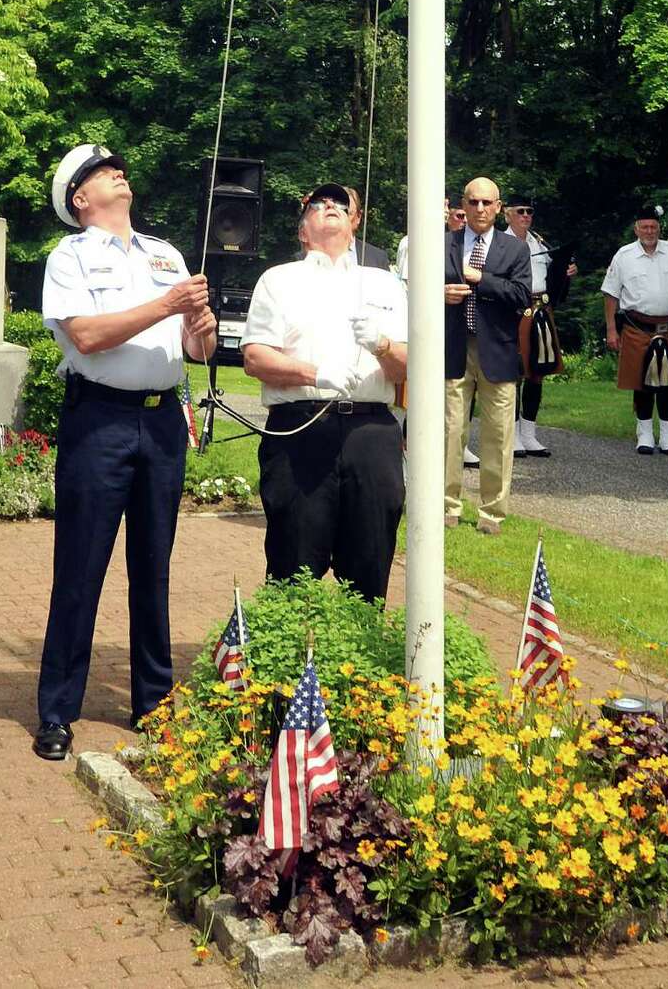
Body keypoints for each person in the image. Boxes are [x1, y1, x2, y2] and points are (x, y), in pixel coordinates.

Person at [34, 144, 217, 761]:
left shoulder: (165, 253)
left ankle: (154, 705)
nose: (118, 173)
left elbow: (197, 349)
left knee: (154, 569)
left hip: (162, 422)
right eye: (99, 173)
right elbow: (84, 336)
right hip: (100, 422)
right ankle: (58, 711)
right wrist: (167, 305)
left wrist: (199, 325)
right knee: (81, 569)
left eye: (117, 168)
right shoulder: (70, 257)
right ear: (80, 199)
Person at [241, 183, 407, 599]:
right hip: (301, 431)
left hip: (371, 433)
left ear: (355, 221)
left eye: (339, 203)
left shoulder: (384, 283)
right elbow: (256, 359)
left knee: (370, 560)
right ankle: (291, 657)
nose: (329, 206)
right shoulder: (279, 280)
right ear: (302, 231)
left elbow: (412, 367)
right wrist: (316, 374)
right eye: (318, 203)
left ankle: (363, 653)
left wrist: (382, 344)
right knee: (293, 561)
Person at [444, 177, 531, 534]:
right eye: (473, 202)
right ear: (462, 205)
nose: (479, 209)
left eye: (487, 203)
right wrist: (441, 292)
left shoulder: (515, 250)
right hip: (453, 347)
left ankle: (492, 513)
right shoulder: (443, 244)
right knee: (449, 431)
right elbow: (415, 290)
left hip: (498, 351)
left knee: (498, 435)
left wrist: (480, 278)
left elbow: (522, 296)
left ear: (499, 207)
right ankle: (446, 507)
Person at [601, 205, 668, 457]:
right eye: (644, 226)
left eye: (653, 227)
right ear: (636, 228)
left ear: (659, 228)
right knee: (641, 383)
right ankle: (644, 432)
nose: (649, 231)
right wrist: (611, 329)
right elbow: (611, 294)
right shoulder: (624, 255)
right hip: (637, 328)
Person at [504, 196, 577, 458]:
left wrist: (565, 272)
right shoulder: (500, 243)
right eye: (520, 211)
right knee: (515, 374)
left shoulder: (539, 242)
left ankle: (529, 433)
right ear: (507, 214)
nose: (526, 216)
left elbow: (553, 279)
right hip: (516, 311)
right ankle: (511, 435)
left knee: (537, 372)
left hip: (541, 310)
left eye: (529, 212)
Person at [344, 186, 390, 269]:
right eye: (338, 213)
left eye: (347, 213)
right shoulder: (315, 255)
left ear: (358, 217)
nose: (342, 219)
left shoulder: (377, 258)